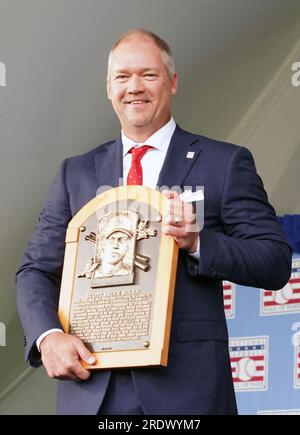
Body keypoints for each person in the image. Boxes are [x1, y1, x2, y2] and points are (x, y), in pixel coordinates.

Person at [16, 29, 292, 415]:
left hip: (187, 393)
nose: (135, 88)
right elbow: (35, 270)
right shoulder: (74, 173)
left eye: (148, 75)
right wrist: (47, 338)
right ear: (109, 88)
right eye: (122, 77)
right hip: (91, 391)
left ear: (172, 82)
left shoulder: (224, 163)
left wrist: (198, 243)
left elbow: (274, 260)